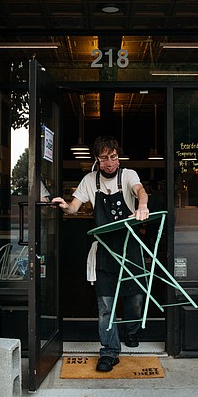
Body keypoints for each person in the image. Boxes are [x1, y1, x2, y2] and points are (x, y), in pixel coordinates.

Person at [52, 135, 150, 372]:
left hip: (130, 249)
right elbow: (75, 205)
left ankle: (132, 330)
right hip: (104, 253)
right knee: (106, 305)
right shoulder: (89, 180)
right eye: (104, 158)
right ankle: (109, 351)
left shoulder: (127, 176)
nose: (110, 163)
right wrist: (66, 207)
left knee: (135, 299)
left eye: (113, 157)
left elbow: (141, 191)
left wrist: (142, 205)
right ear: (96, 159)